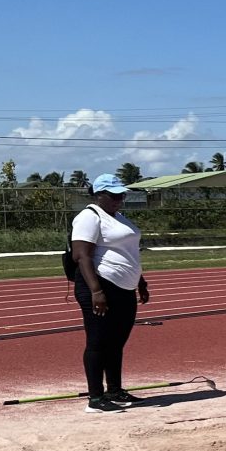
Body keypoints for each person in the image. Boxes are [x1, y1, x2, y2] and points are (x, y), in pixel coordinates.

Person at [70, 173, 150, 412]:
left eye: (122, 195)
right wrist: (96, 291)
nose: (120, 199)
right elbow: (81, 256)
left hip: (124, 287)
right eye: (114, 195)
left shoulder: (119, 217)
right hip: (100, 287)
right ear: (99, 195)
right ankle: (95, 398)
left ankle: (115, 390)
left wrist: (140, 281)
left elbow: (128, 253)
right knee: (98, 343)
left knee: (116, 343)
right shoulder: (89, 217)